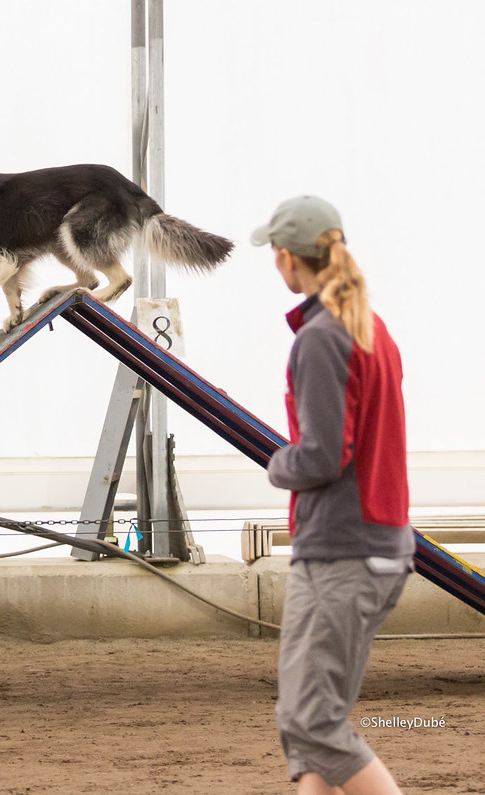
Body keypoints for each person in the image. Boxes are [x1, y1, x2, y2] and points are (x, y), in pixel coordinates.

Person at [252, 196, 414, 794]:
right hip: (366, 542)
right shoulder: (370, 328)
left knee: (311, 720)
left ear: (286, 258)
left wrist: (277, 462)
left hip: (344, 547)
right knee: (307, 725)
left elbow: (321, 455)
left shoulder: (321, 338)